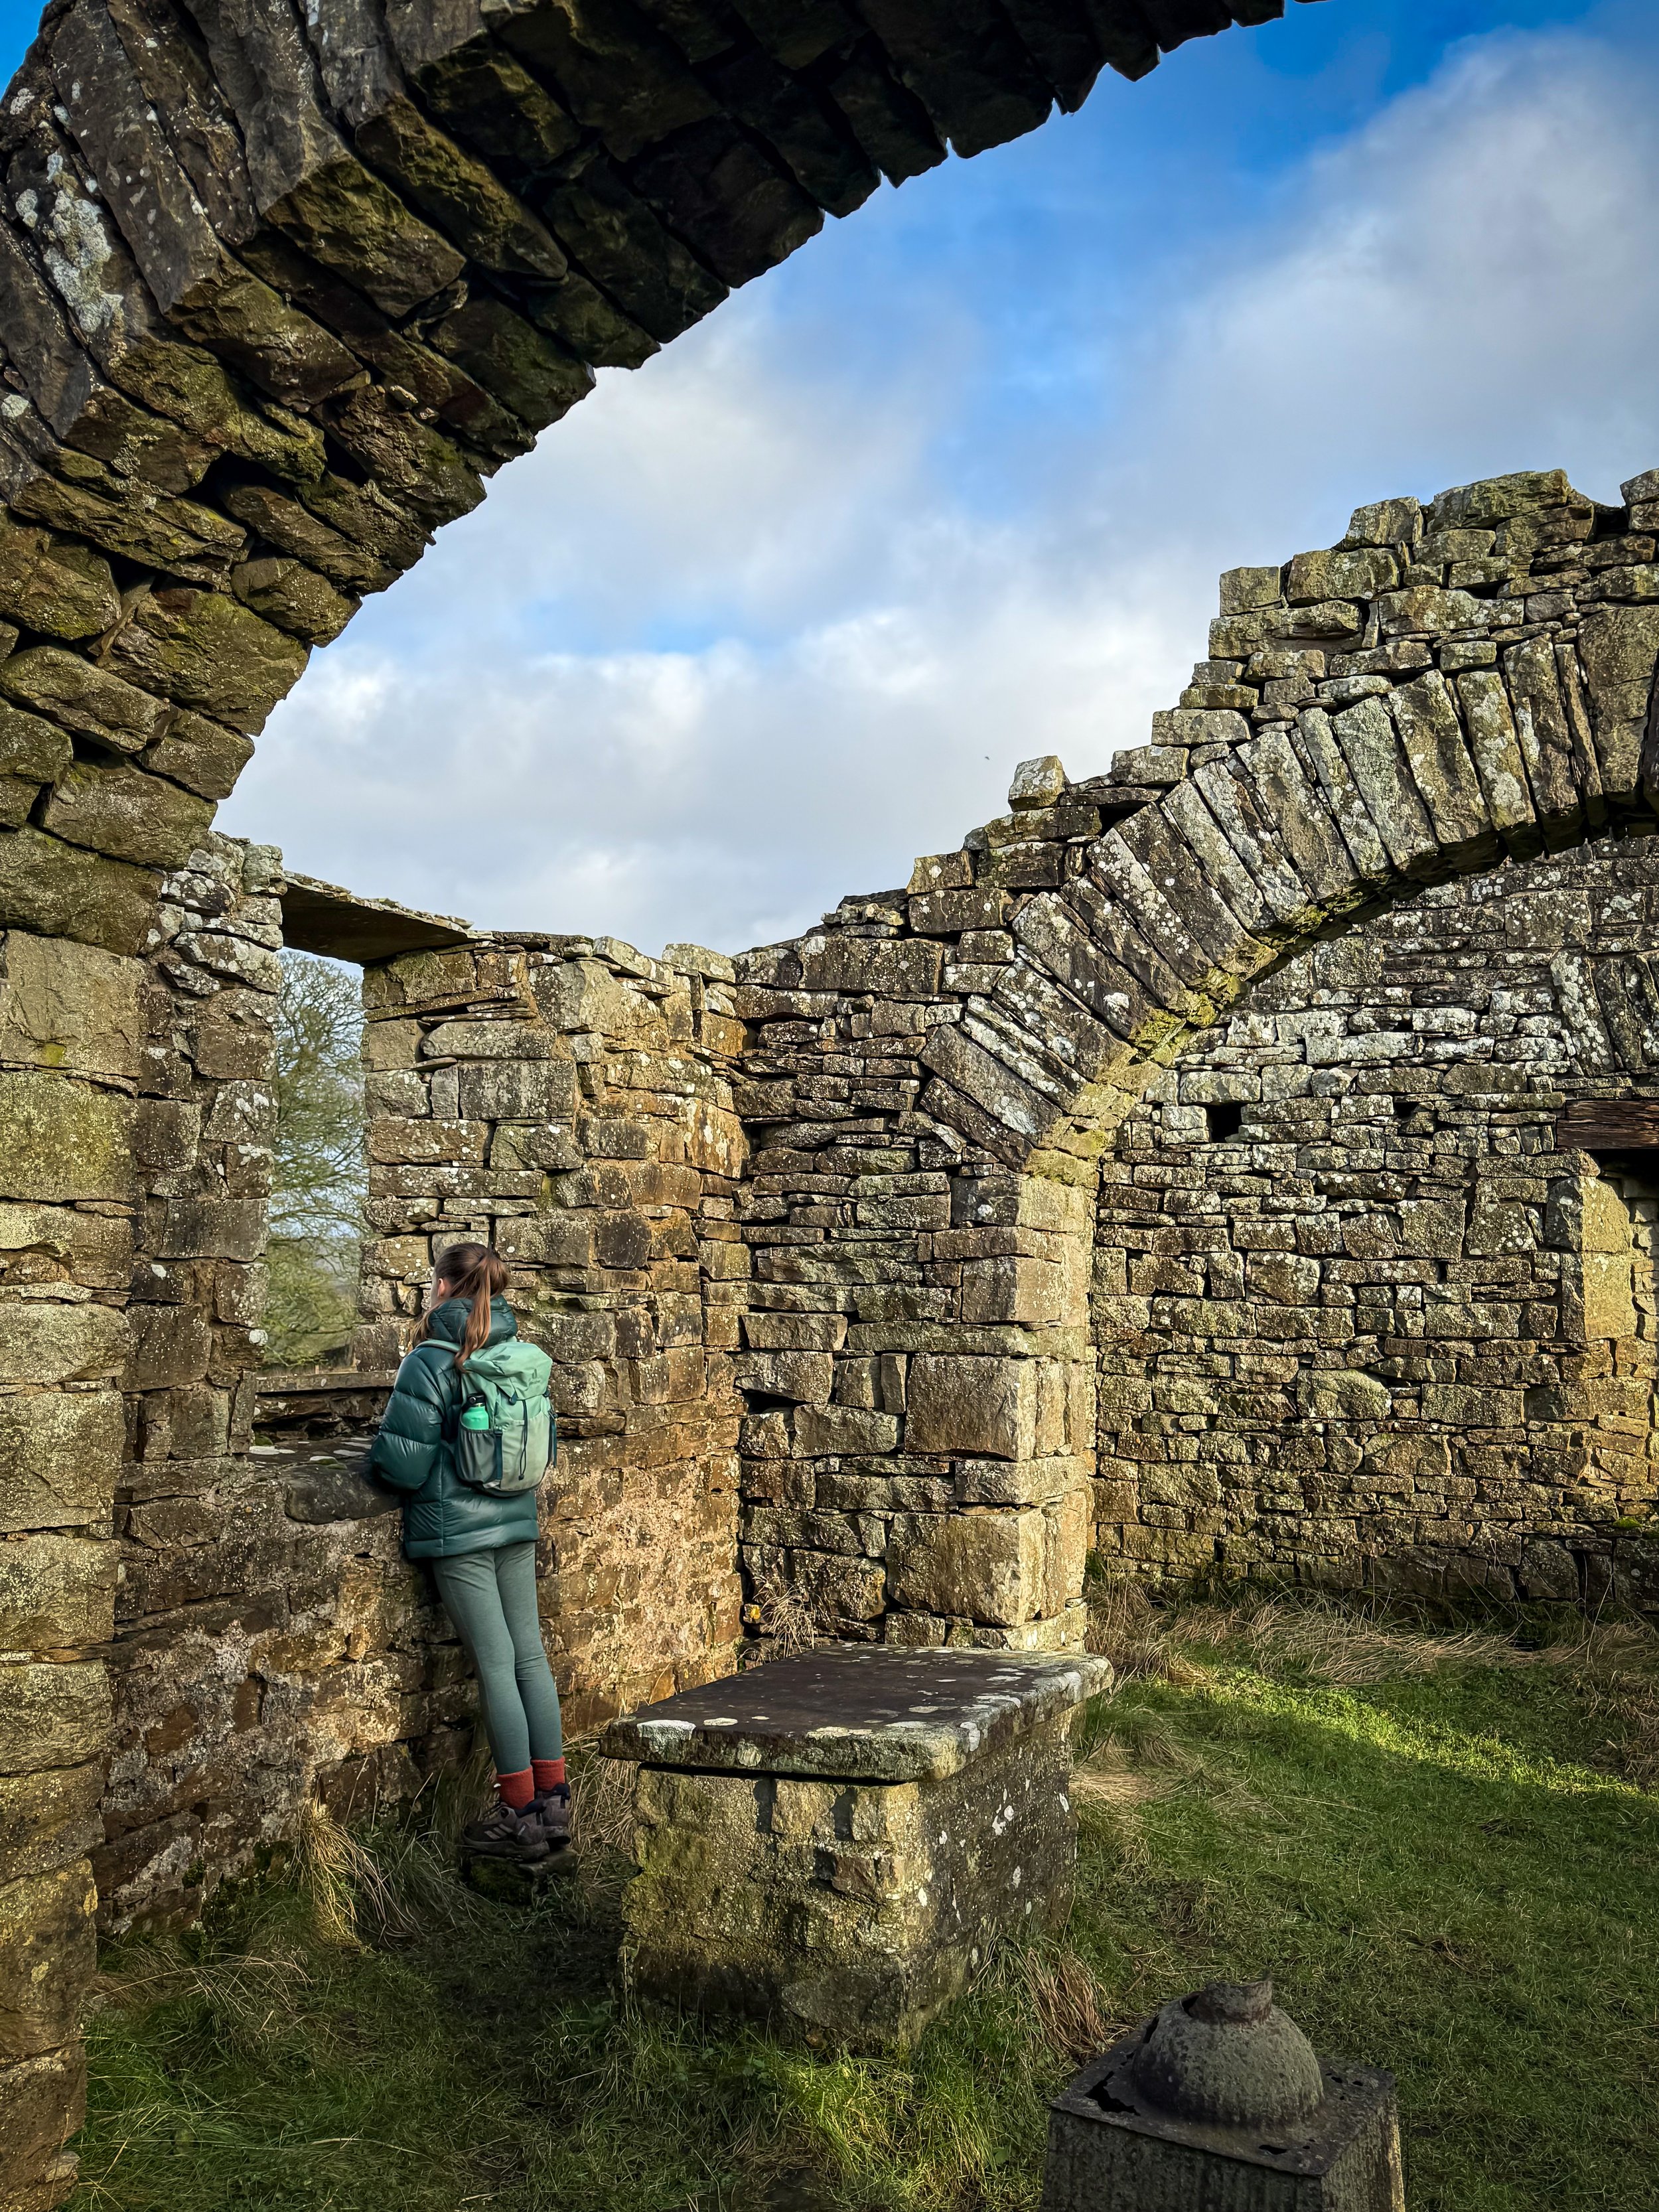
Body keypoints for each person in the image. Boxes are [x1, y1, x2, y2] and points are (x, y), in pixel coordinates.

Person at [368, 1242, 567, 1865]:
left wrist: (369, 1456)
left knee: (496, 1663)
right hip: (515, 1521)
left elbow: (402, 1465)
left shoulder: (429, 1360)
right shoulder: (516, 1354)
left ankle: (519, 1816)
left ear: (445, 1286)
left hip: (459, 1534)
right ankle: (555, 1802)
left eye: (433, 1281)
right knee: (530, 1657)